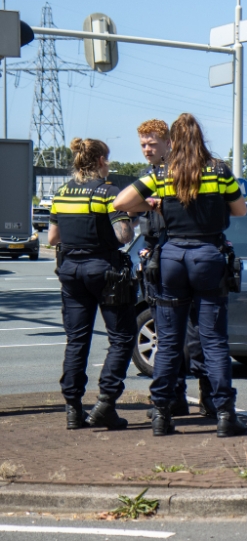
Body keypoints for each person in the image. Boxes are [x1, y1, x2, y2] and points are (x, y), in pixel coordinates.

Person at [114, 113, 247, 437]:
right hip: (208, 255)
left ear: (173, 141)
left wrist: (158, 205)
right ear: (200, 137)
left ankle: (161, 414)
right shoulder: (219, 170)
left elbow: (121, 201)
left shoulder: (163, 173)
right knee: (214, 341)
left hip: (172, 256)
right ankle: (225, 415)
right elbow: (240, 210)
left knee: (169, 342)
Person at [48, 138, 136, 430]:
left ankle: (73, 409)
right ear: (101, 161)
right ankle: (106, 403)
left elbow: (52, 239)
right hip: (104, 271)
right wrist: (131, 218)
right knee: (122, 336)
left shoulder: (61, 193)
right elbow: (123, 236)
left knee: (77, 340)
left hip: (70, 270)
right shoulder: (108, 193)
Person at [133, 119, 215, 420]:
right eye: (143, 144)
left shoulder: (185, 174)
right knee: (167, 335)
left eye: (152, 144)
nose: (147, 150)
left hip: (181, 257)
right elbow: (125, 206)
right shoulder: (149, 176)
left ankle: (209, 397)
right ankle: (174, 399)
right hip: (158, 261)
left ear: (170, 143)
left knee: (197, 335)